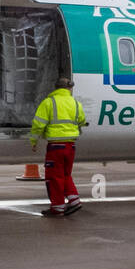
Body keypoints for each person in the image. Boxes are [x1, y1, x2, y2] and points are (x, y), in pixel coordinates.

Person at [29, 76, 87, 217]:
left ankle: (57, 207)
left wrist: (34, 141)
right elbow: (82, 120)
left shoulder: (49, 102)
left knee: (54, 177)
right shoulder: (75, 103)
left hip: (56, 147)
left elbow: (38, 124)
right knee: (66, 175)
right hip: (70, 146)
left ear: (56, 88)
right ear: (69, 88)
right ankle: (74, 201)